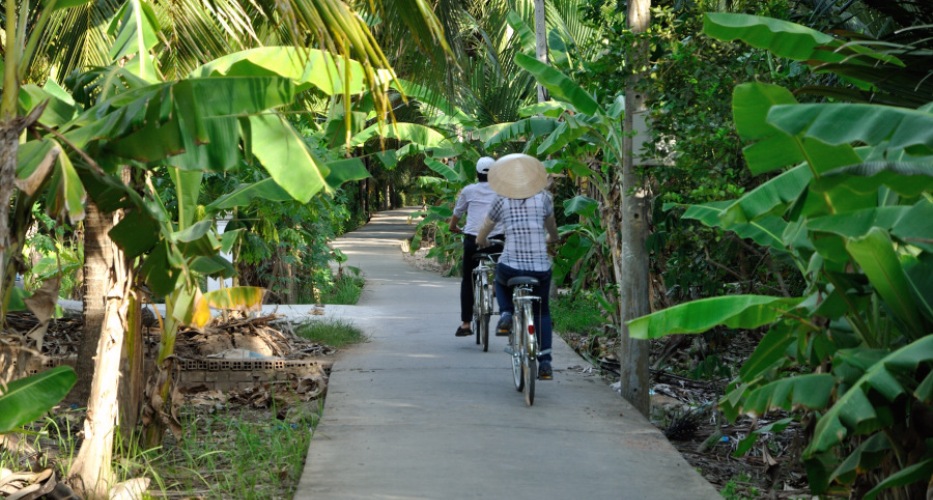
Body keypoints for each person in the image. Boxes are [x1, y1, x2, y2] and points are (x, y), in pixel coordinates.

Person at [476, 153, 559, 380]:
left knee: (500, 283)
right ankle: (545, 364)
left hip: (511, 265)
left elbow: (486, 225)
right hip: (540, 268)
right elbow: (551, 228)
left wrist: (481, 240)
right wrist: (552, 238)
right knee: (542, 312)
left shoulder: (502, 199)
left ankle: (505, 313)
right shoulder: (544, 198)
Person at [448, 156, 505, 337]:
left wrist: (453, 227)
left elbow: (457, 214)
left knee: (468, 279)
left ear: (477, 174)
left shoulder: (469, 190)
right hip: (497, 241)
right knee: (502, 269)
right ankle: (499, 293)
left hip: (473, 241)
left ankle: (466, 324)